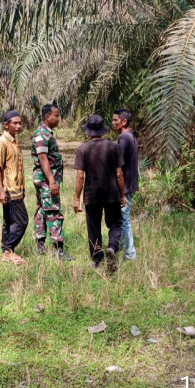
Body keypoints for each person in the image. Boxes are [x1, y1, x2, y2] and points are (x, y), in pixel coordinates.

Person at [73, 114, 126, 272]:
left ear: (88, 131)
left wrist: (76, 198)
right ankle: (112, 247)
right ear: (103, 130)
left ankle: (97, 260)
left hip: (92, 195)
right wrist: (122, 195)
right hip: (112, 193)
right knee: (116, 223)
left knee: (93, 227)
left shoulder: (82, 149)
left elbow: (80, 176)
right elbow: (119, 174)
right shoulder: (114, 147)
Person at [31, 103, 73, 260]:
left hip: (43, 179)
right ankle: (58, 251)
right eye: (56, 115)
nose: (58, 118)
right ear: (47, 116)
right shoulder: (42, 134)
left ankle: (40, 246)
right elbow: (43, 158)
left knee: (42, 210)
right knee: (53, 211)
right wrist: (52, 181)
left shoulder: (46, 132)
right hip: (46, 179)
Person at [0, 110, 28, 264]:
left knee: (9, 221)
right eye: (15, 123)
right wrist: (1, 191)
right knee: (21, 221)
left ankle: (6, 252)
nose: (18, 126)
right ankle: (8, 249)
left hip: (18, 188)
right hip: (10, 190)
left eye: (20, 123)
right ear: (6, 125)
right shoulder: (2, 142)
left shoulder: (13, 140)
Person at [112, 109, 139, 260]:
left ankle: (130, 254)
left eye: (116, 120)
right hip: (130, 184)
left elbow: (118, 164)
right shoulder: (131, 136)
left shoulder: (124, 138)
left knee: (124, 220)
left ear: (124, 122)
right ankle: (119, 248)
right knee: (123, 218)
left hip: (125, 185)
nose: (113, 123)